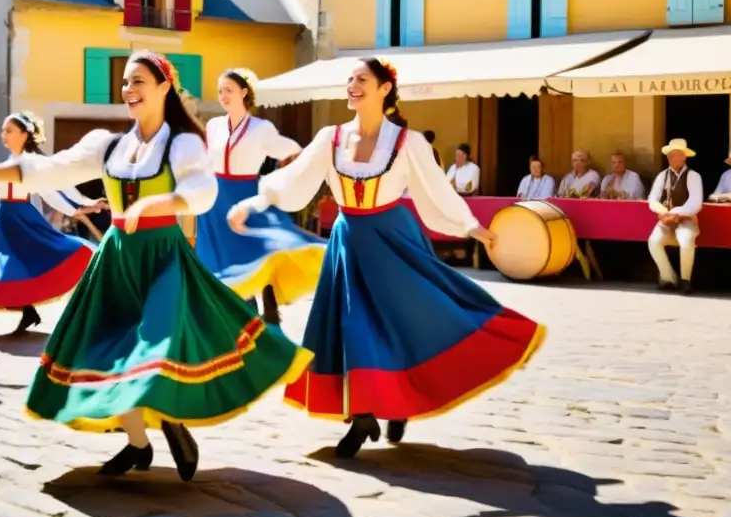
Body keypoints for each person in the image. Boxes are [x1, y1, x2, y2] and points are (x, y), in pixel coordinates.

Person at [0, 51, 313, 481]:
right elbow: (39, 170)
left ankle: (170, 417)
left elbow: (202, 191)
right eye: (125, 82)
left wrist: (160, 202)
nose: (128, 89)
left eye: (139, 81)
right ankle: (140, 444)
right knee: (105, 348)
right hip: (117, 260)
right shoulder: (108, 145)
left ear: (165, 86)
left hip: (162, 257)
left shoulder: (182, 142)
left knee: (154, 346)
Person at [228, 57, 545, 458]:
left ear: (384, 90)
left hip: (393, 239)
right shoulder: (331, 137)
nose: (352, 85)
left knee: (406, 319)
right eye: (350, 79)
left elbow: (436, 190)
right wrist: (253, 204)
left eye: (362, 79)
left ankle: (398, 399)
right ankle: (362, 414)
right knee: (351, 324)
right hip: (348, 241)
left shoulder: (408, 142)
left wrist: (470, 227)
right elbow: (295, 179)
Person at [0, 112, 102, 335]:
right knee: (6, 268)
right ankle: (27, 310)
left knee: (33, 262)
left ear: (24, 134)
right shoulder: (1, 167)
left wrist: (79, 208)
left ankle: (43, 308)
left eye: (9, 130)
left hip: (24, 219)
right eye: (3, 130)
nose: (4, 134)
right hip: (4, 222)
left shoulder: (34, 167)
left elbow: (51, 193)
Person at [196, 68, 326, 325]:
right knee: (216, 263)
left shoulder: (261, 128)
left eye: (229, 90)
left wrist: (279, 180)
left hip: (245, 197)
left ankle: (253, 321)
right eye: (221, 91)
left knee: (249, 259)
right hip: (214, 202)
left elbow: (293, 151)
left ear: (244, 93)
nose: (223, 96)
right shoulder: (213, 125)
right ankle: (230, 323)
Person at [647, 138, 703, 294]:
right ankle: (668, 277)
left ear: (684, 157)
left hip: (686, 220)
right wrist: (664, 213)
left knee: (686, 241)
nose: (671, 158)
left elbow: (695, 202)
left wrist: (675, 214)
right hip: (666, 220)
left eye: (676, 154)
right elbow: (652, 199)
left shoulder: (693, 176)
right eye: (670, 155)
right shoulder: (662, 176)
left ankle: (685, 280)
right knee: (653, 242)